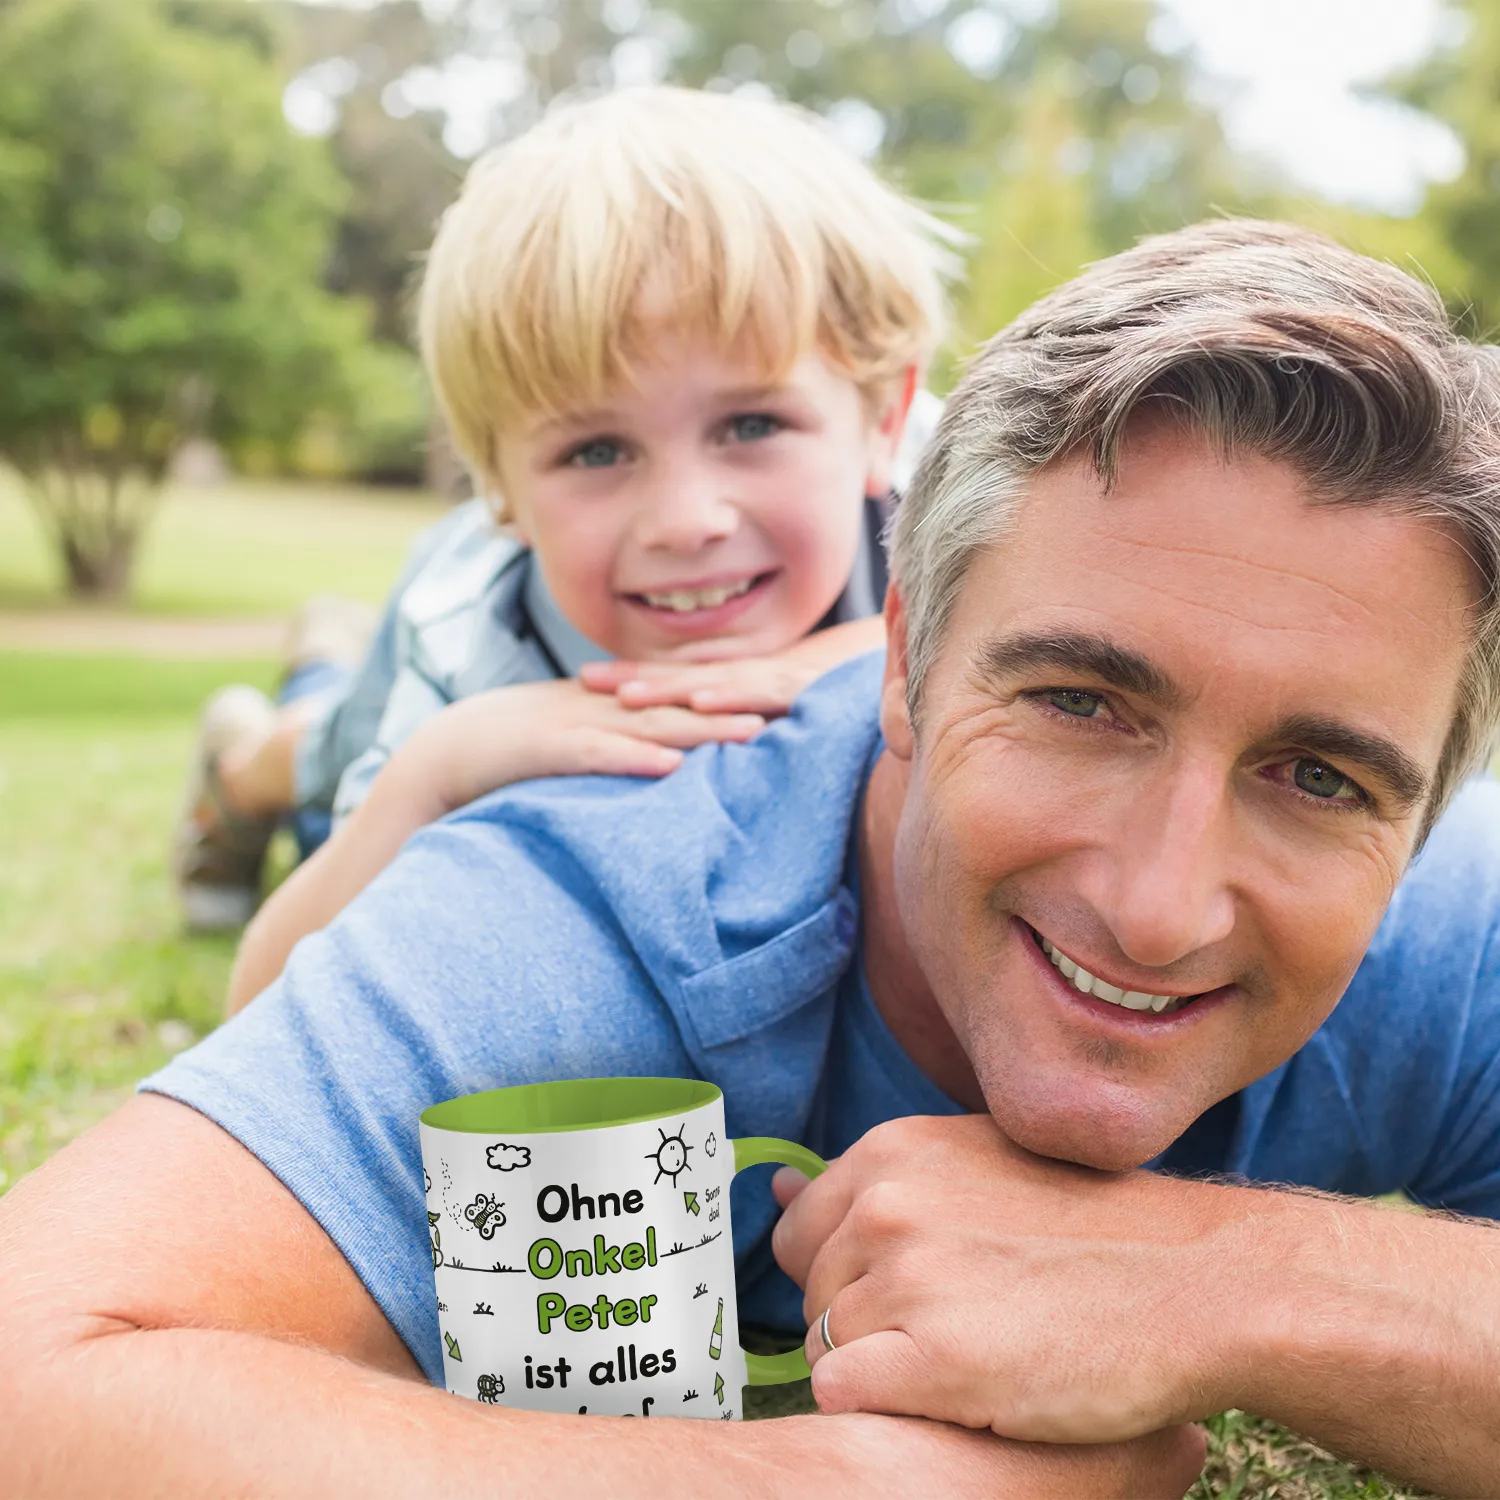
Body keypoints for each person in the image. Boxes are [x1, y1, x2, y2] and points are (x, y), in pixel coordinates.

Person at [7, 219, 1500, 1498]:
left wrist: (1240, 1284)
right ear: (905, 666)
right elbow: (36, 1375)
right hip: (459, 711)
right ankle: (278, 731)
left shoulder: (1439, 908)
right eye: (1078, 702)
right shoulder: (584, 910)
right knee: (342, 745)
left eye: (1319, 778)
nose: (1162, 908)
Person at [172, 83, 955, 932]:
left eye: (752, 424)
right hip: (446, 635)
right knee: (335, 763)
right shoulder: (468, 644)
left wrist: (855, 656)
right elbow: (291, 993)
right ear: (496, 483)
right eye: (596, 450)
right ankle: (244, 759)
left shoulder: (957, 504)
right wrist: (438, 766)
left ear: (881, 419)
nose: (687, 521)